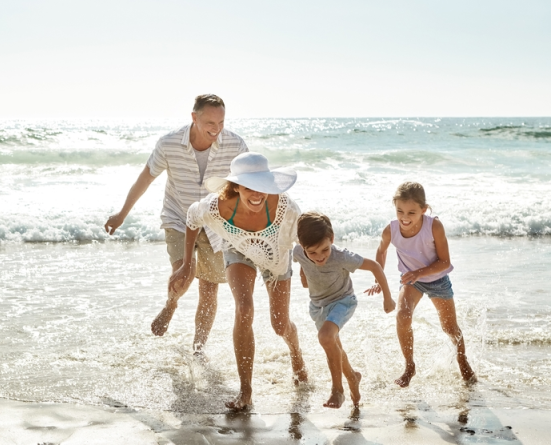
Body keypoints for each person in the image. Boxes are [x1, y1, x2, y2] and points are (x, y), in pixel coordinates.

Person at [104, 94, 248, 353]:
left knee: (209, 289)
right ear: (194, 117)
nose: (216, 129)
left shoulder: (235, 145)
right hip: (178, 217)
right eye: (210, 123)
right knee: (185, 271)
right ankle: (171, 303)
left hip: (216, 223)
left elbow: (251, 184)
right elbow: (146, 178)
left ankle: (198, 349)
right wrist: (122, 214)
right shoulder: (169, 143)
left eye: (221, 122)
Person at [169, 152, 308, 410]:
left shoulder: (287, 209)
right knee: (244, 309)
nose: (256, 194)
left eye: (261, 187)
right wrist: (188, 264)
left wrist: (306, 269)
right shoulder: (216, 207)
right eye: (248, 187)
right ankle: (246, 391)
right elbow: (192, 218)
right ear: (236, 187)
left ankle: (296, 355)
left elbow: (302, 239)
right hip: (238, 249)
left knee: (280, 324)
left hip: (276, 254)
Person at [368, 182, 476, 387]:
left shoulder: (434, 226)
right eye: (399, 211)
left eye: (411, 212)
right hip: (411, 281)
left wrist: (419, 272)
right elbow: (381, 251)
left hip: (437, 279)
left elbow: (445, 262)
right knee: (403, 316)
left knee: (450, 327)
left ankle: (462, 359)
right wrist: (378, 279)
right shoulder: (391, 229)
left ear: (423, 209)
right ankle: (409, 366)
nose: (404, 217)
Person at [293, 212, 395, 409]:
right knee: (333, 345)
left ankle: (337, 391)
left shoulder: (342, 257)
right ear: (302, 245)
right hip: (318, 307)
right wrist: (304, 275)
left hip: (343, 301)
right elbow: (301, 262)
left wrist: (387, 297)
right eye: (312, 253)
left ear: (332, 239)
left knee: (325, 337)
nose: (320, 257)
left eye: (324, 249)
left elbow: (374, 266)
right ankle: (353, 377)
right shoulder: (298, 252)